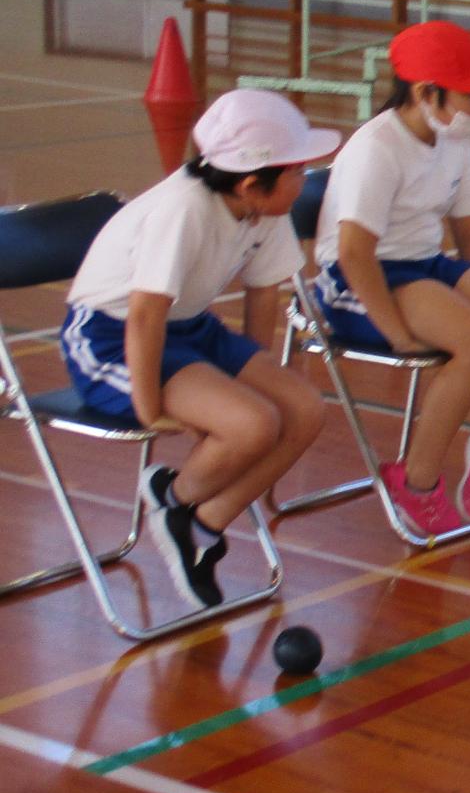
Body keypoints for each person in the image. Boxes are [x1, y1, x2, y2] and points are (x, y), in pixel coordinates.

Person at [62, 89, 339, 605]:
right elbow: (144, 314)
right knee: (252, 424)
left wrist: (255, 375)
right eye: (298, 172)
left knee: (302, 411)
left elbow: (263, 294)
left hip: (188, 328)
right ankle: (175, 499)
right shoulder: (184, 210)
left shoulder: (266, 209)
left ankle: (198, 521)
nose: (305, 182)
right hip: (112, 337)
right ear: (253, 184)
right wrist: (148, 407)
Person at [312, 19, 470, 536]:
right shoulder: (377, 148)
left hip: (424, 263)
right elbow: (354, 254)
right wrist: (397, 334)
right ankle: (415, 483)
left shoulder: (453, 139)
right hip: (359, 279)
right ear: (425, 93)